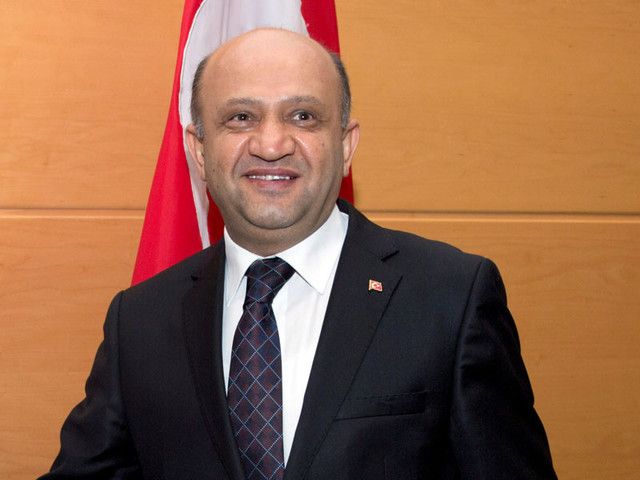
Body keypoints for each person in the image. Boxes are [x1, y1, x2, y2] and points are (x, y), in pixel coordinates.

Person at [41, 28, 556, 479]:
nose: (271, 144)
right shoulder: (140, 321)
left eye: (303, 116)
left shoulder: (451, 298)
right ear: (199, 149)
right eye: (241, 117)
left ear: (346, 144)